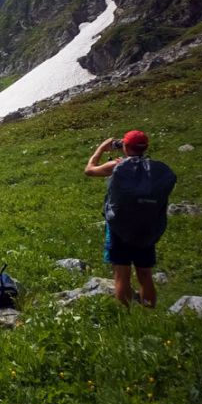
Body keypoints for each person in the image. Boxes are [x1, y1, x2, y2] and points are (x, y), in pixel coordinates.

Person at [84, 130, 174, 307]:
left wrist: (101, 148)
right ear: (145, 147)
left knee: (121, 274)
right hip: (147, 228)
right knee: (145, 274)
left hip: (120, 227)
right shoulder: (157, 170)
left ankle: (126, 317)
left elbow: (89, 170)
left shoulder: (118, 166)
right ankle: (149, 312)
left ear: (124, 147)